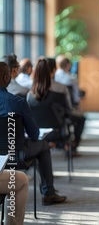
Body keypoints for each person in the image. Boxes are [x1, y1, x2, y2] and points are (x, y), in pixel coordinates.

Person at [0, 61, 67, 205]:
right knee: (43, 145)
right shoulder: (18, 102)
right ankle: (48, 192)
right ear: (6, 78)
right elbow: (34, 134)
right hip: (15, 156)